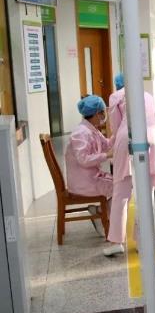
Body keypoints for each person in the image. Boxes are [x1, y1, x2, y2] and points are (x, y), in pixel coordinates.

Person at [106, 73, 155, 257]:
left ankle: (117, 241)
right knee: (145, 195)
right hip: (152, 139)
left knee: (121, 193)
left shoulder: (116, 96)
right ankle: (143, 241)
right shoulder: (148, 95)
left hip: (128, 139)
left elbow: (116, 126)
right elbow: (154, 117)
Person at [65, 95, 113, 235]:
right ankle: (101, 215)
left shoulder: (92, 129)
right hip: (83, 183)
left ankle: (101, 213)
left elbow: (106, 144)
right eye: (102, 112)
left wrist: (120, 134)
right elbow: (84, 160)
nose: (104, 116)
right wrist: (107, 155)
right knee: (121, 187)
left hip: (91, 177)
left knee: (122, 184)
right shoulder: (80, 133)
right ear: (96, 113)